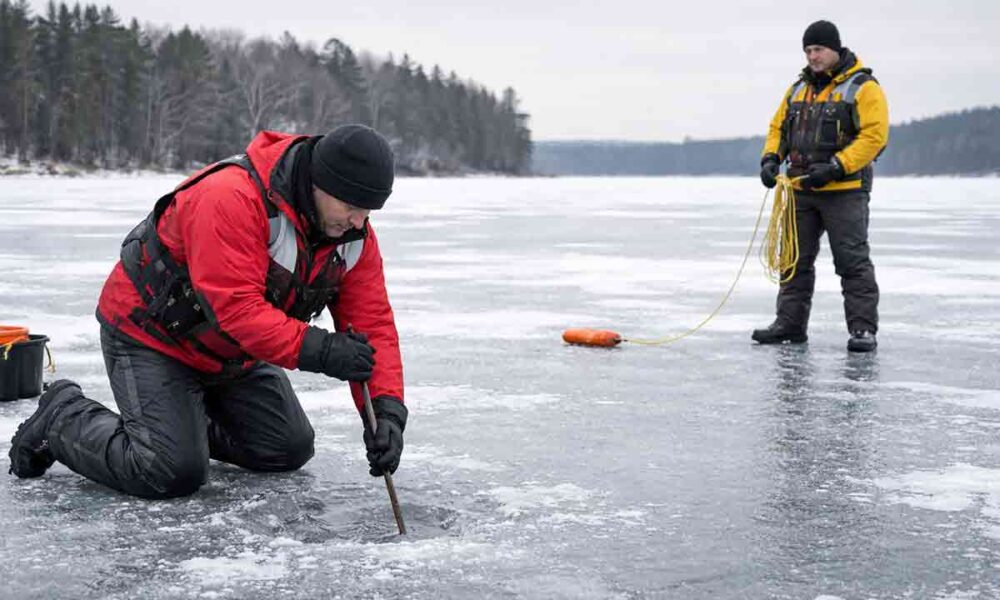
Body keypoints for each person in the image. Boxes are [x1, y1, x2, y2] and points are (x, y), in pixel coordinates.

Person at [8, 125, 407, 498]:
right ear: (320, 183)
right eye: (352, 206)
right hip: (151, 337)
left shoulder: (351, 236)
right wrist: (322, 350)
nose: (360, 221)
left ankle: (177, 426)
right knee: (170, 470)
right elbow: (235, 308)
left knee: (287, 448)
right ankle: (63, 417)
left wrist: (386, 412)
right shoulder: (231, 196)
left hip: (231, 355)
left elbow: (372, 323)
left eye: (369, 211)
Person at [753, 20, 889, 352]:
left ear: (835, 49)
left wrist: (835, 167)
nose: (813, 56)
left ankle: (862, 330)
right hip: (800, 190)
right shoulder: (798, 89)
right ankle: (790, 325)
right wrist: (771, 158)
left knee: (852, 262)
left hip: (845, 191)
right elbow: (777, 128)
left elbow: (875, 137)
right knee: (793, 260)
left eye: (818, 50)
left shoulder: (863, 87)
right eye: (808, 51)